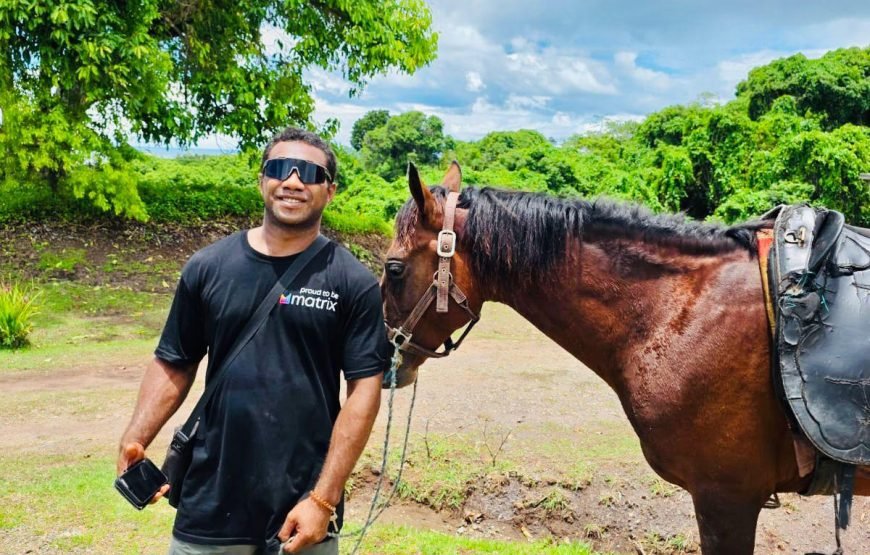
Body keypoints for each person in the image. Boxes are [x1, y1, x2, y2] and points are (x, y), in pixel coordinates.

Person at [117, 127, 390, 554]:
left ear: (330, 191)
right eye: (281, 168)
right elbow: (175, 361)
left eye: (310, 174)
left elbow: (364, 392)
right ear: (263, 179)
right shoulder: (207, 267)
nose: (294, 181)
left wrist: (324, 499)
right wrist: (135, 437)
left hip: (301, 506)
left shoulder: (351, 282)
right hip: (209, 497)